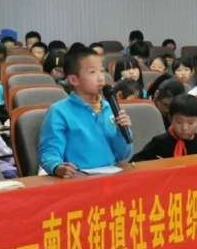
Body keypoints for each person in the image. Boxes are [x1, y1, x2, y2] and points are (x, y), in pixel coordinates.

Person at [38, 47, 133, 177]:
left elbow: (122, 155)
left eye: (102, 70)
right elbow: (50, 151)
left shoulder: (110, 108)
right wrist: (56, 166)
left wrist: (122, 131)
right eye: (92, 72)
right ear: (73, 80)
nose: (101, 77)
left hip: (110, 177)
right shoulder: (59, 111)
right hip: (77, 179)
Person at [131, 94, 197, 161]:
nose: (184, 128)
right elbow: (136, 163)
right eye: (179, 122)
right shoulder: (159, 143)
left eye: (190, 123)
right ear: (170, 119)